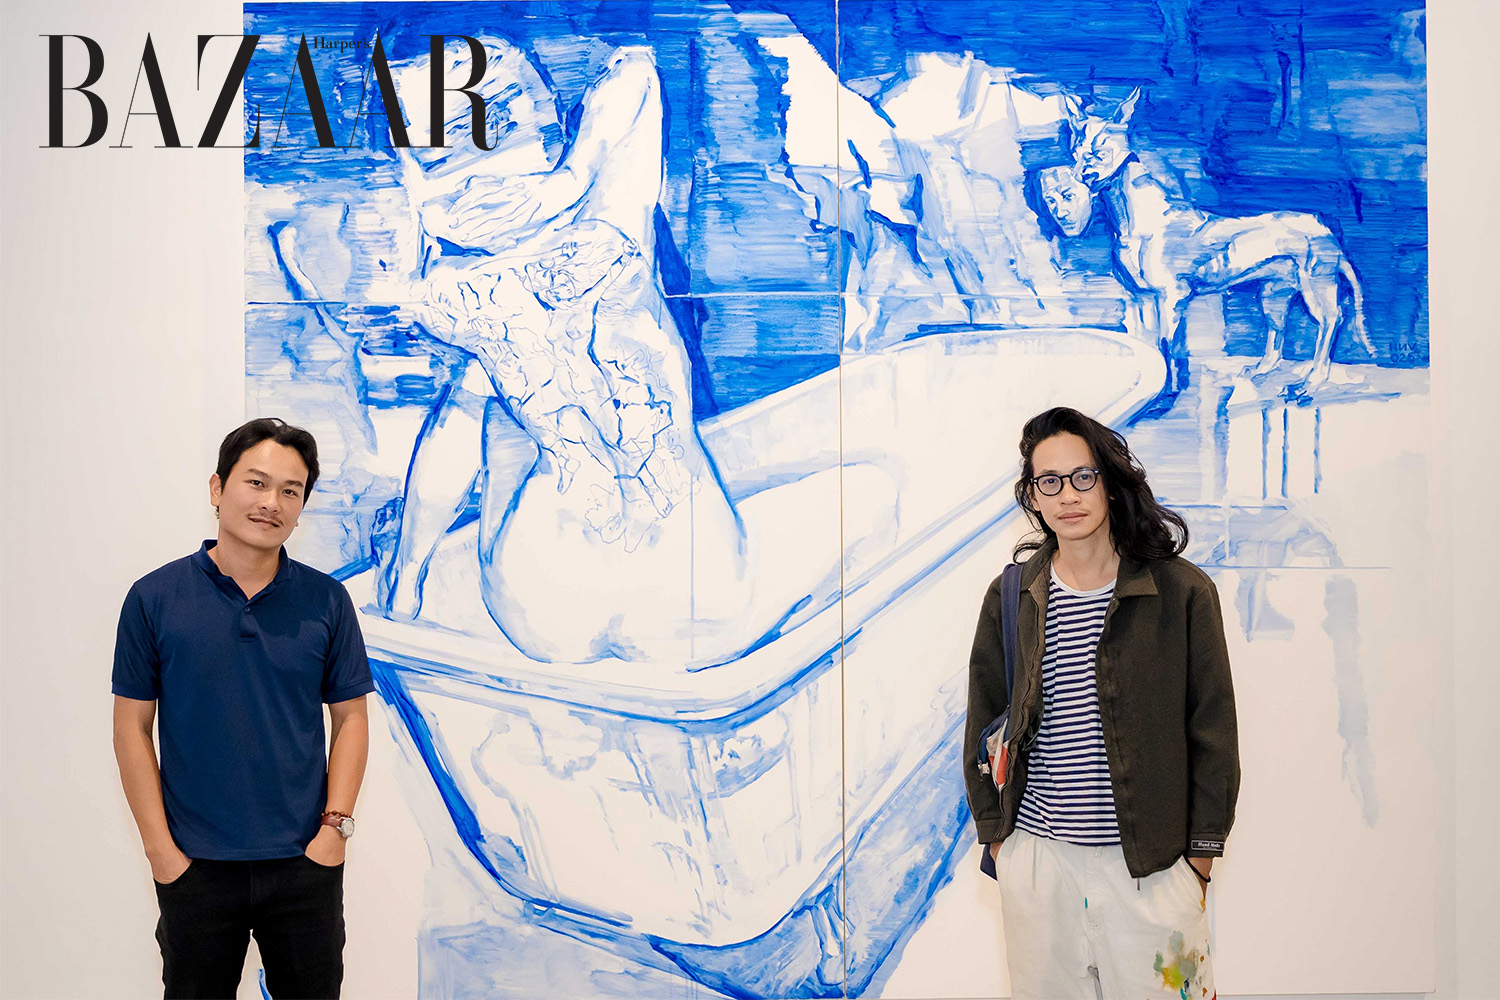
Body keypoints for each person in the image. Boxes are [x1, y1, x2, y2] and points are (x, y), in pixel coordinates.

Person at [963, 406, 1239, 999]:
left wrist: (1199, 860)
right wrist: (999, 840)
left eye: (1083, 476)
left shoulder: (1182, 591)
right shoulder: (1012, 595)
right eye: (1050, 481)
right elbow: (983, 722)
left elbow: (1213, 732)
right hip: (1040, 866)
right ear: (1032, 496)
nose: (1068, 495)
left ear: (1110, 483)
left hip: (1152, 868)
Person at [112, 418, 373, 999]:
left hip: (304, 862)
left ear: (301, 508)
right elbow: (131, 726)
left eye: (290, 490)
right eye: (256, 482)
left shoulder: (327, 601)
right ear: (217, 488)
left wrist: (334, 830)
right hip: (194, 866)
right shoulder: (154, 597)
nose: (271, 502)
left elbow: (351, 718)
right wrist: (160, 851)